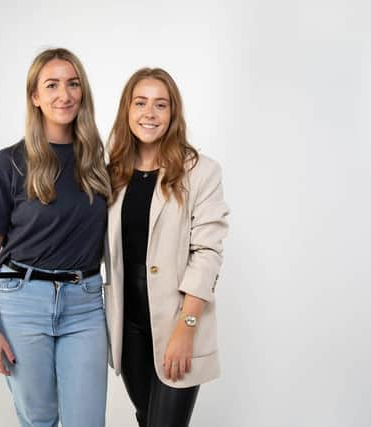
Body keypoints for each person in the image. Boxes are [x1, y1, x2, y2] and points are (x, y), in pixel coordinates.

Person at [0, 48, 111, 427]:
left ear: (83, 92)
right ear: (35, 97)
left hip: (85, 306)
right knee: (39, 420)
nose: (64, 94)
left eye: (73, 84)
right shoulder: (9, 162)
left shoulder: (98, 163)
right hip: (21, 304)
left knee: (87, 421)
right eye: (52, 85)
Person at [104, 68, 230, 427]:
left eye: (161, 105)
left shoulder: (201, 172)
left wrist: (185, 327)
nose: (150, 113)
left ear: (173, 114)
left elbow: (207, 254)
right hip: (128, 329)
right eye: (140, 103)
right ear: (126, 111)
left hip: (178, 321)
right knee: (147, 418)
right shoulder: (113, 174)